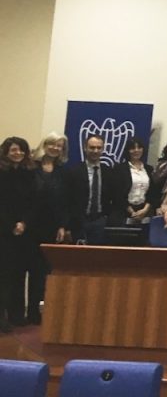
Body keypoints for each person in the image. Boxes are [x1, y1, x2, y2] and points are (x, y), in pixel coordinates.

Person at [28, 133, 68, 325]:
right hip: (29, 226)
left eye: (59, 146)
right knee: (27, 269)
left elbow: (64, 202)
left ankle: (40, 311)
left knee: (45, 271)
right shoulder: (31, 167)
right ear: (44, 144)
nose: (55, 148)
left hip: (51, 227)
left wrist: (62, 225)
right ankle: (24, 312)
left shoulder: (62, 172)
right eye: (52, 144)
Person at [0, 137, 37, 330]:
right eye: (14, 150)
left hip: (24, 232)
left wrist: (23, 223)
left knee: (18, 274)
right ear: (5, 152)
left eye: (21, 150)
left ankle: (16, 315)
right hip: (4, 231)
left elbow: (32, 202)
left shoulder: (28, 173)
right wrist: (11, 225)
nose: (18, 153)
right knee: (3, 275)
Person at [65, 133, 114, 244]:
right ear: (85, 148)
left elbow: (113, 197)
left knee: (98, 253)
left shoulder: (109, 172)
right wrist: (67, 226)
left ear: (103, 149)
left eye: (99, 148)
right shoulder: (74, 172)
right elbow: (67, 200)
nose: (95, 151)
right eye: (92, 147)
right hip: (79, 221)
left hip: (101, 221)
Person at [109, 137, 153, 226]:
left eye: (139, 147)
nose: (136, 150)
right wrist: (132, 212)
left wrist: (145, 210)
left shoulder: (149, 169)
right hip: (123, 211)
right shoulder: (120, 169)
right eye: (132, 148)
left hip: (144, 212)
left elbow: (153, 192)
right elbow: (117, 194)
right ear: (128, 150)